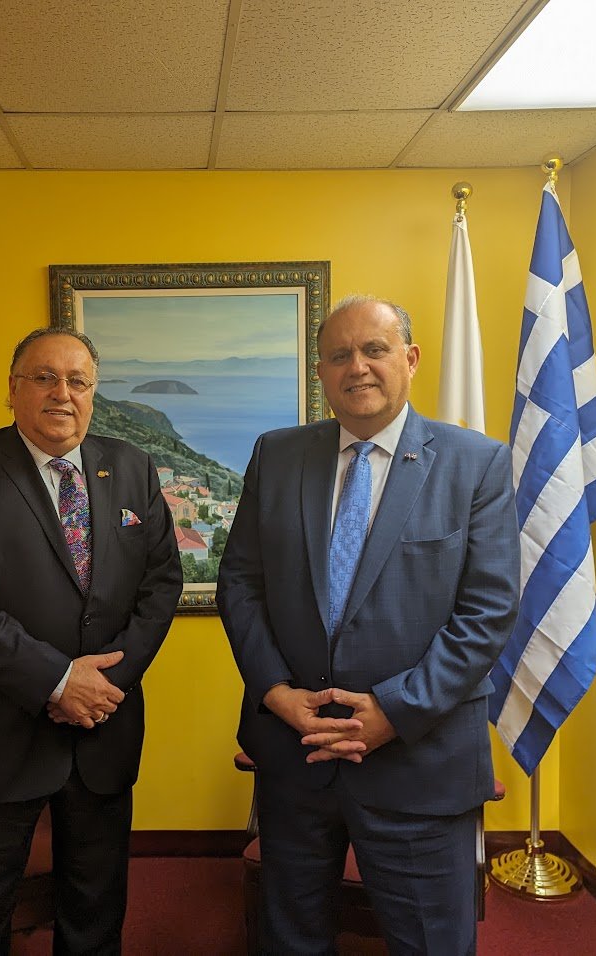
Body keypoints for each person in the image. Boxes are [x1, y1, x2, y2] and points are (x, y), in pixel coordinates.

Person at [218, 295, 520, 955]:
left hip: (418, 758)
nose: (356, 367)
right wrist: (275, 692)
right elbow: (240, 582)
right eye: (338, 355)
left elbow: (488, 609)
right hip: (295, 756)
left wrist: (393, 711)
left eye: (374, 349)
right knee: (290, 940)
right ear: (320, 373)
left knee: (431, 943)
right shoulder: (276, 455)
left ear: (410, 359)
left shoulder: (476, 463)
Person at [0, 327, 182, 954]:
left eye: (78, 381)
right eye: (44, 377)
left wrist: (105, 685)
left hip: (102, 729)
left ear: (94, 393)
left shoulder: (132, 466)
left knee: (95, 910)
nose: (62, 393)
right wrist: (59, 682)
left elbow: (161, 584)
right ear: (13, 389)